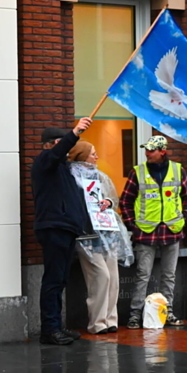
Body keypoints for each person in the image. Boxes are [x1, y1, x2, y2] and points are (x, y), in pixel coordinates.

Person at [120, 136, 187, 328]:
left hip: (172, 230)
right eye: (146, 149)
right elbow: (125, 201)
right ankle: (135, 314)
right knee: (143, 274)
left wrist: (184, 217)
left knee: (169, 275)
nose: (147, 153)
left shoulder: (178, 171)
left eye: (151, 150)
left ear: (162, 151)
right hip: (146, 232)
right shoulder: (138, 172)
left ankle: (166, 311)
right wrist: (132, 225)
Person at [32, 118, 94, 345]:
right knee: (53, 280)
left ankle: (56, 326)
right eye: (61, 143)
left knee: (60, 281)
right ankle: (49, 329)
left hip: (66, 229)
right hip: (54, 228)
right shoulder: (45, 162)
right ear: (52, 143)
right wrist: (75, 132)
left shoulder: (62, 169)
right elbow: (57, 153)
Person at [68, 141, 134, 334]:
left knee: (113, 277)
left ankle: (111, 320)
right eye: (93, 154)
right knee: (100, 276)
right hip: (87, 236)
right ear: (82, 156)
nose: (96, 157)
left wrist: (108, 201)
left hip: (108, 232)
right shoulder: (72, 177)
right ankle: (97, 322)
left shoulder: (100, 176)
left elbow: (113, 198)